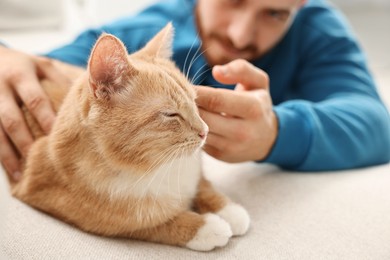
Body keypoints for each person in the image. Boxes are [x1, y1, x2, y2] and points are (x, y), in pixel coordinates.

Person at [0, 0, 389, 180]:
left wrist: (276, 133)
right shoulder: (152, 30)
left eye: (275, 13)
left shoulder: (318, 28)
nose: (240, 35)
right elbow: (44, 67)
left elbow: (376, 123)